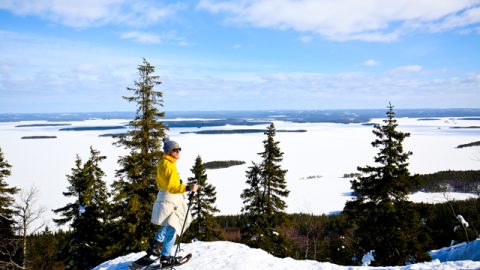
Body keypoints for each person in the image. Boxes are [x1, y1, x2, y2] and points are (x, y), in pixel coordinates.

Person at [136, 138, 199, 267]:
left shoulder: (163, 162)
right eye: (175, 150)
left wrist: (179, 183)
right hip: (171, 198)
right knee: (172, 225)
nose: (178, 152)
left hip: (165, 197)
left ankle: (157, 250)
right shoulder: (169, 166)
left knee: (169, 224)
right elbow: (172, 187)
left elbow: (166, 182)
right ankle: (163, 254)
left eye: (179, 149)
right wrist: (188, 188)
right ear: (169, 152)